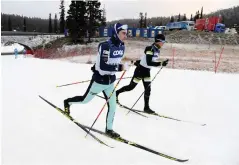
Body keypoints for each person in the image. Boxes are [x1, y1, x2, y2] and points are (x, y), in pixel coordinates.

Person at [63, 23, 129, 138]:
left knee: (113, 106)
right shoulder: (105, 46)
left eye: (126, 33)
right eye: (123, 33)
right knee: (85, 100)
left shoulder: (122, 46)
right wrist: (120, 68)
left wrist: (122, 65)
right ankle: (67, 102)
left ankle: (109, 129)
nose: (126, 36)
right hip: (99, 81)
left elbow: (115, 62)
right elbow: (104, 66)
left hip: (110, 82)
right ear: (116, 33)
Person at [116, 34, 169, 114]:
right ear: (158, 41)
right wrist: (161, 63)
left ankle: (146, 108)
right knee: (131, 87)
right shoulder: (150, 49)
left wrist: (162, 62)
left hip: (146, 71)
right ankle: (116, 93)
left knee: (148, 89)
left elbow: (150, 61)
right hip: (140, 70)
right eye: (162, 42)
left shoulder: (157, 50)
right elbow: (148, 62)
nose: (163, 43)